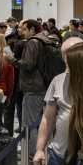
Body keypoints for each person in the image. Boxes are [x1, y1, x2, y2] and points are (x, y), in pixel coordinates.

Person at [33, 36, 83, 165]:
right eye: (65, 55)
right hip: (59, 154)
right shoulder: (58, 80)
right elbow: (47, 118)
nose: (68, 59)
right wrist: (39, 149)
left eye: (72, 54)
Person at [17, 19, 54, 157]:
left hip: (33, 87)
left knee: (30, 123)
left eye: (24, 29)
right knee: (41, 122)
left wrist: (12, 60)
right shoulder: (45, 40)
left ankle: (31, 153)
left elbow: (28, 64)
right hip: (43, 85)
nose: (22, 32)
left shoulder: (33, 42)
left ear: (32, 29)